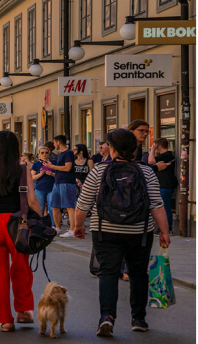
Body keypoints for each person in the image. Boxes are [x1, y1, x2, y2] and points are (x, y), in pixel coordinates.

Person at [74, 129, 170, 337]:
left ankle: (107, 317)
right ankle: (139, 318)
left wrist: (78, 226)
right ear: (135, 150)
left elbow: (83, 204)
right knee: (138, 273)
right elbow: (156, 205)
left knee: (108, 272)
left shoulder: (100, 170)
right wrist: (164, 231)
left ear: (113, 149)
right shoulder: (146, 172)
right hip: (139, 231)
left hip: (105, 230)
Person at [0, 131, 42, 332]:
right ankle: (23, 310)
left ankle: (5, 320)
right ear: (15, 149)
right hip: (18, 225)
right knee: (21, 268)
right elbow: (31, 200)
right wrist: (41, 223)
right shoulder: (23, 170)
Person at [41, 135, 77, 236]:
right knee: (54, 206)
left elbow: (67, 168)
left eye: (54, 142)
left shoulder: (68, 153)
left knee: (69, 206)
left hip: (67, 182)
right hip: (58, 182)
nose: (54, 144)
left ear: (58, 142)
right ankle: (57, 228)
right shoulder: (61, 154)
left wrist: (51, 166)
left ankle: (72, 229)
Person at [148, 138, 177, 234]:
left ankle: (168, 228)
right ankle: (162, 228)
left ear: (159, 146)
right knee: (162, 207)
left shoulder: (166, 155)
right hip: (164, 185)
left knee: (164, 207)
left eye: (155, 145)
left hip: (165, 185)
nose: (154, 148)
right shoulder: (165, 155)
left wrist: (152, 150)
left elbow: (151, 161)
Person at [31, 146, 55, 219]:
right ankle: (39, 224)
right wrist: (41, 174)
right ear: (39, 154)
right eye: (42, 152)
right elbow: (32, 177)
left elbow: (59, 175)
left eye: (46, 152)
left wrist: (51, 173)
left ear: (49, 154)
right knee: (40, 208)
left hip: (51, 188)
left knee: (52, 208)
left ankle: (53, 225)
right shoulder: (36, 164)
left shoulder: (53, 162)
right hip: (40, 188)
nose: (44, 154)